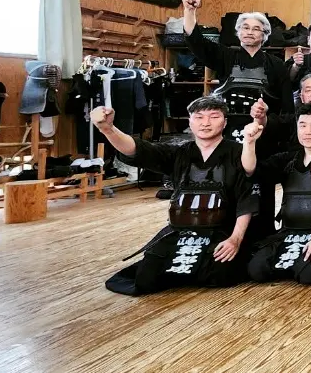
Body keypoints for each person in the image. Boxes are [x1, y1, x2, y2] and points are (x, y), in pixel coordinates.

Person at [98, 96, 260, 296]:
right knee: (146, 279)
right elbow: (138, 149)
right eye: (199, 117)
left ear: (225, 122)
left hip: (220, 232)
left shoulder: (238, 152)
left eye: (214, 117)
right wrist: (108, 129)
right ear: (190, 122)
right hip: (180, 231)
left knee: (220, 273)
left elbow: (247, 198)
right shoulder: (178, 153)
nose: (206, 123)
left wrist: (235, 239)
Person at [247, 103, 311, 285]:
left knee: (310, 274)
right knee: (257, 269)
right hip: (290, 231)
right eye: (302, 125)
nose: (307, 131)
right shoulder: (288, 158)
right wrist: (249, 143)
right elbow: (251, 171)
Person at [180, 0, 293, 142]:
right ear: (238, 32)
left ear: (264, 35)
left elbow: (287, 109)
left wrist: (268, 122)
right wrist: (189, 11)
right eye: (245, 28)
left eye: (256, 29)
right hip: (227, 132)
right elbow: (196, 42)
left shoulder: (277, 64)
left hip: (264, 133)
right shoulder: (225, 56)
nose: (249, 32)